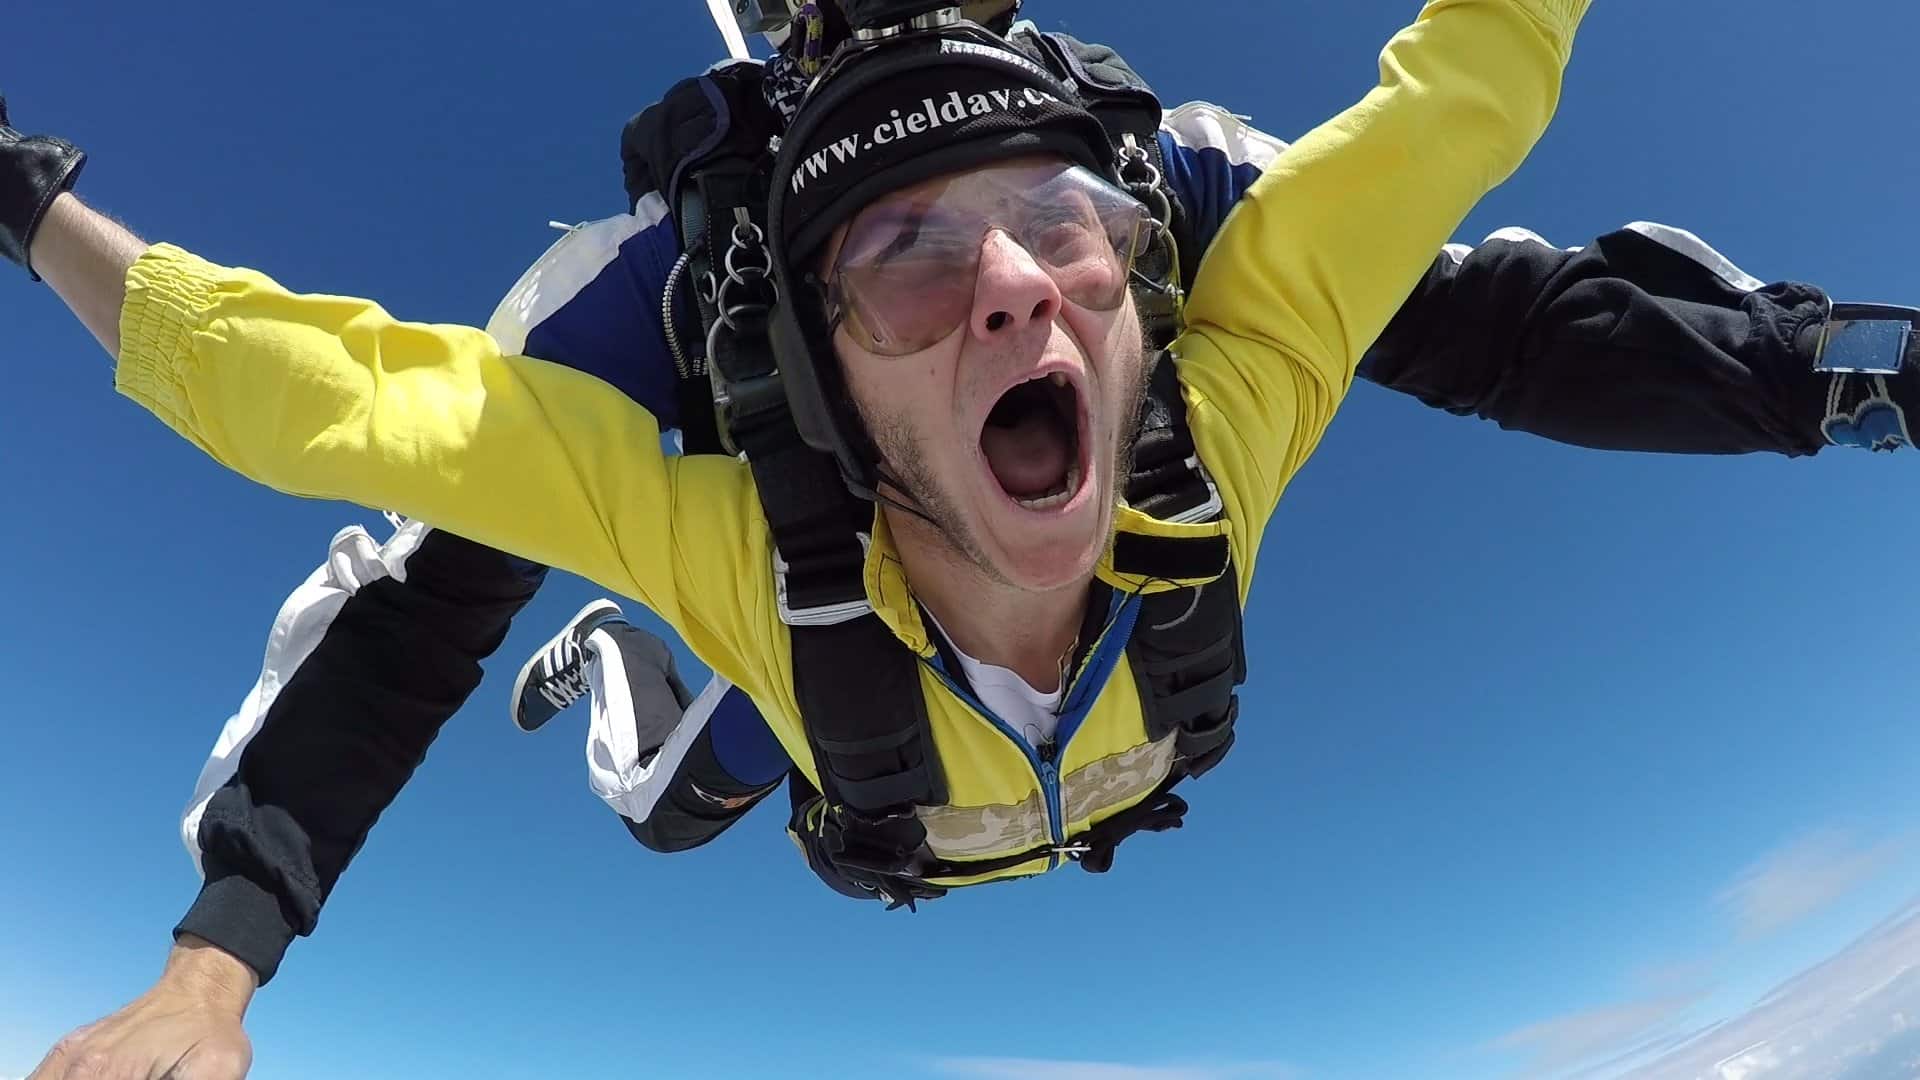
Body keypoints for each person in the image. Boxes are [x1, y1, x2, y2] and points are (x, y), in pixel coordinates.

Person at [12, 0, 1584, 1076]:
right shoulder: (720, 503)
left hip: (839, 696)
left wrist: (1764, 380)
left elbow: (1451, 175)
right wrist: (212, 965)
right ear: (819, 365)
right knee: (665, 803)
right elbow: (344, 425)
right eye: (909, 263)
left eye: (1062, 230)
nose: (1015, 288)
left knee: (764, 693)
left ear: (1135, 282)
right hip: (805, 685)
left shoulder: (1211, 413)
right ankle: (615, 653)